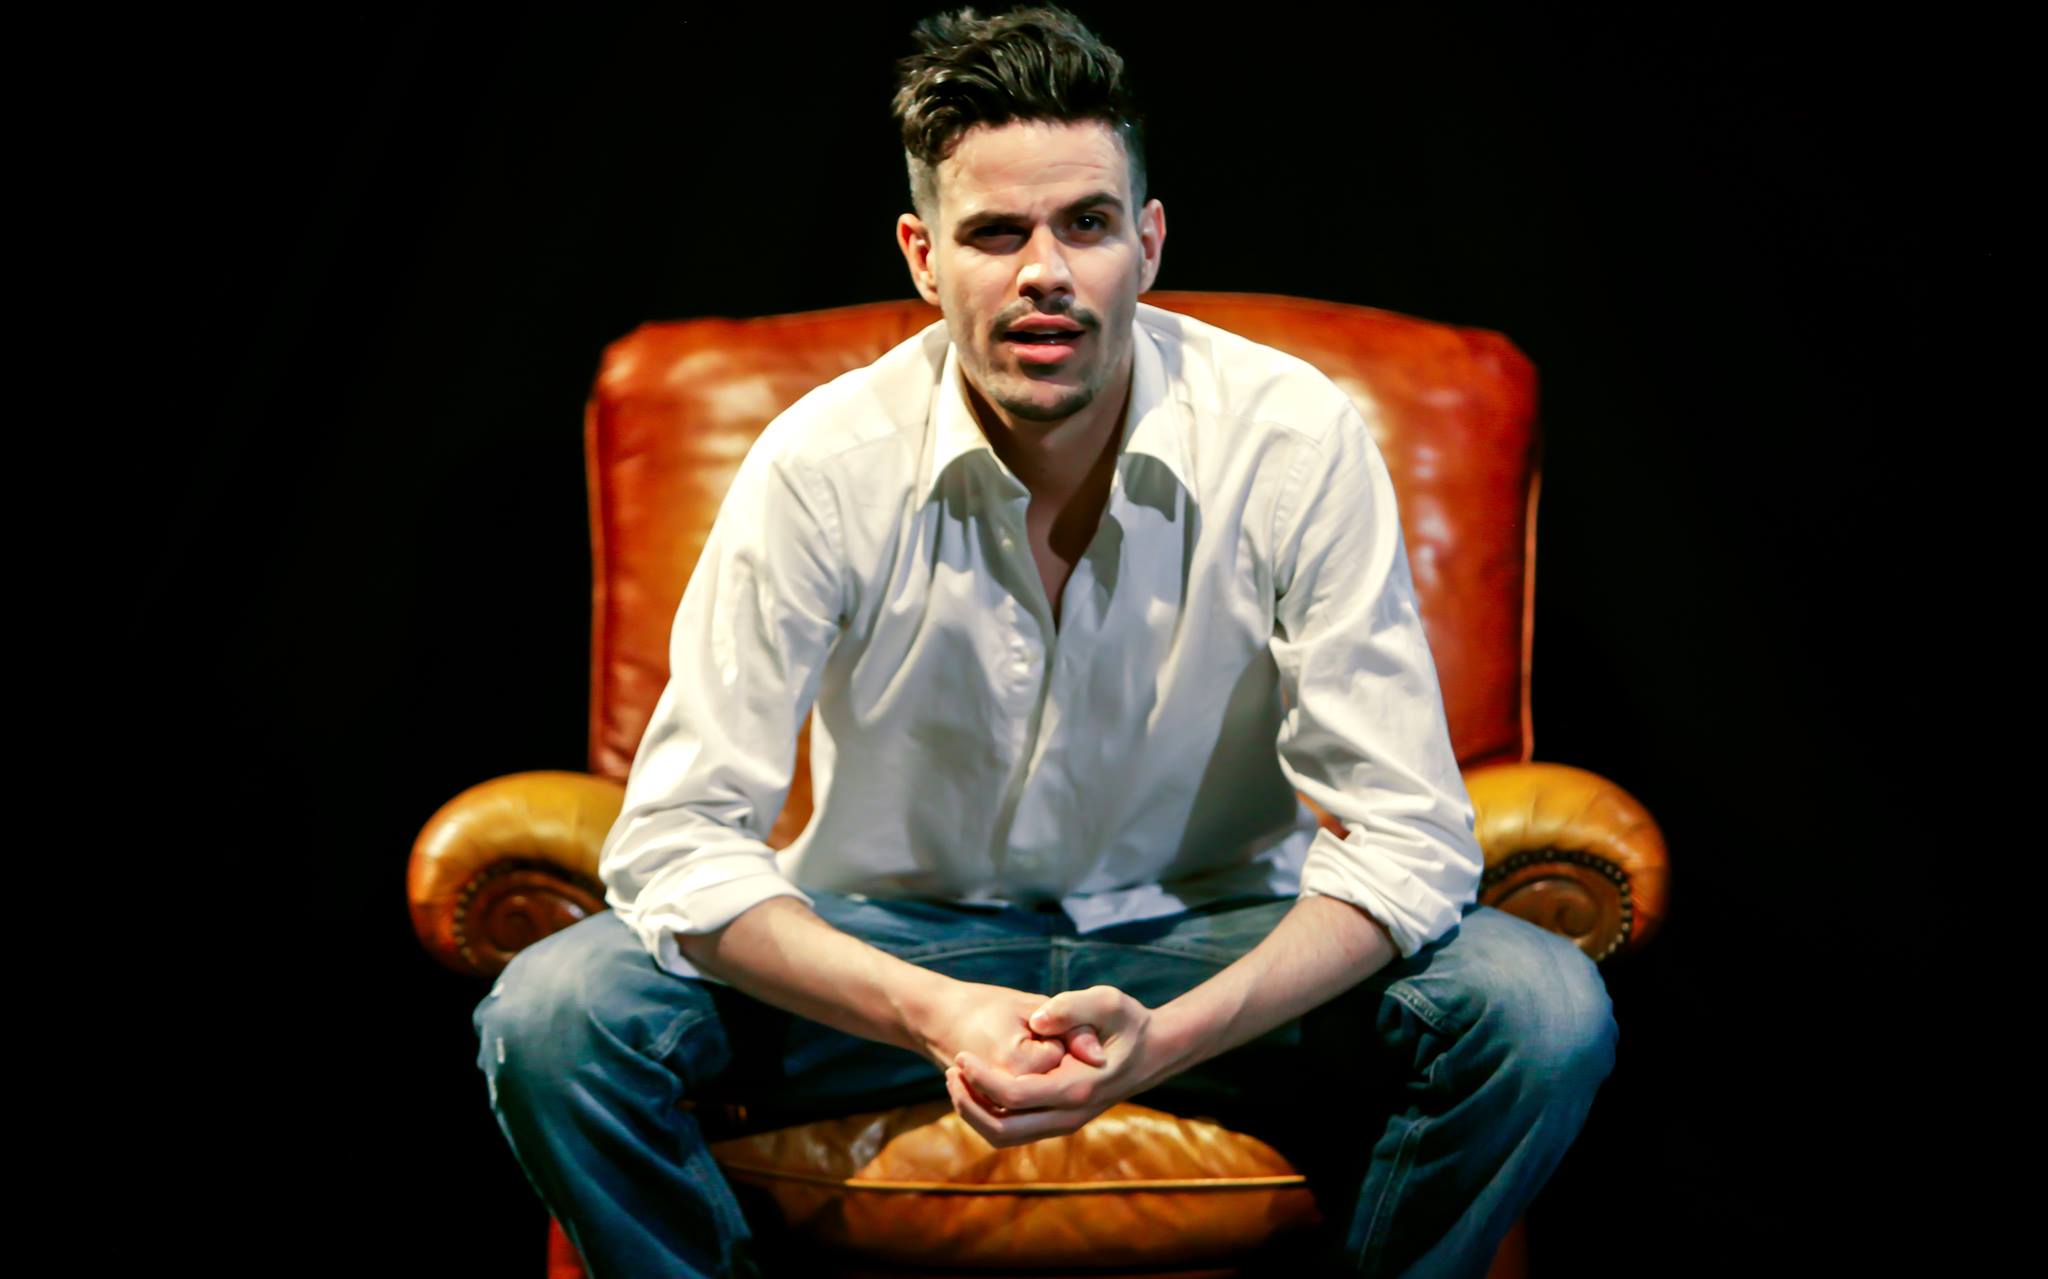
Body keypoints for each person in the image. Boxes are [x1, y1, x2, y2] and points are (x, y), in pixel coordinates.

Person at [475, 6, 1617, 1276]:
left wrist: (1169, 1038)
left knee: (1536, 1009)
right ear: (922, 256)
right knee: (556, 1016)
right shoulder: (819, 462)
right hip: (892, 941)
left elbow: (1410, 838)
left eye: (1085, 223)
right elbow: (674, 842)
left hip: (1211, 932)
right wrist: (934, 1009)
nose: (1044, 272)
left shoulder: (1291, 439)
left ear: (1148, 241)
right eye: (994, 233)